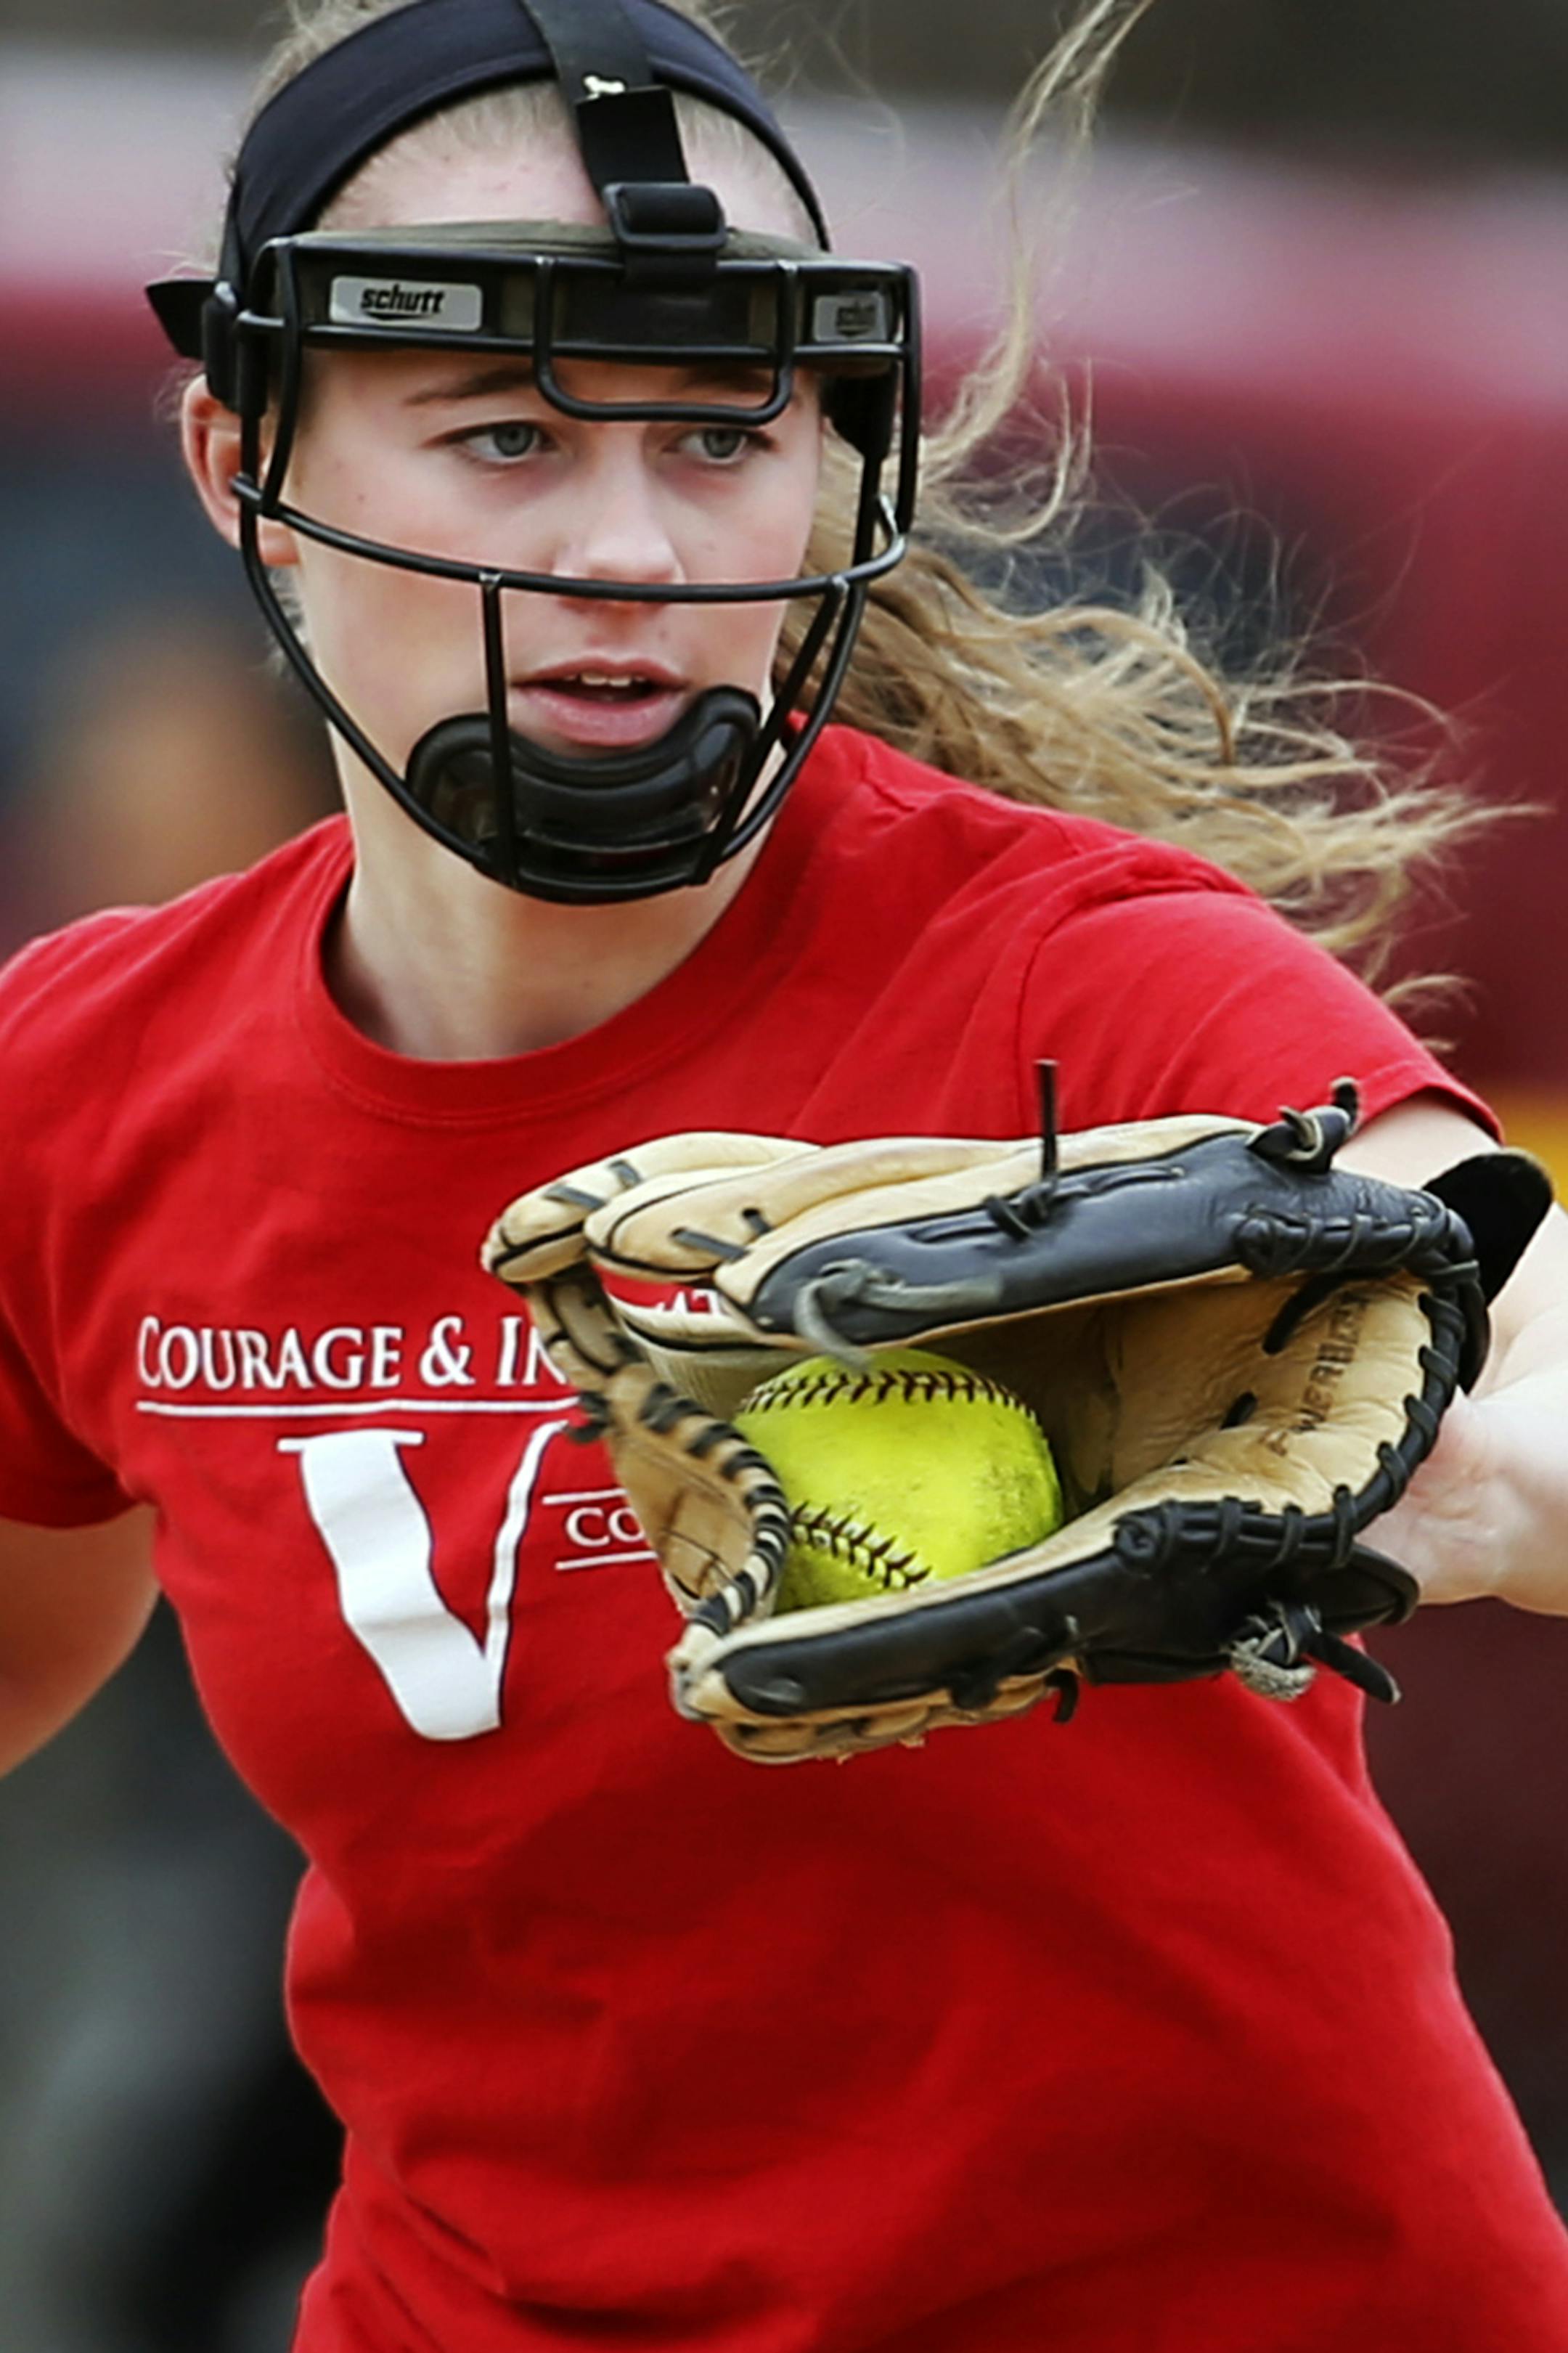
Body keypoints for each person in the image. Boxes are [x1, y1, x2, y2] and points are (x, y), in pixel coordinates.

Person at [3, 1, 1567, 2347]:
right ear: (238, 460)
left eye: (725, 438)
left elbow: (1511, 1305)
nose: (629, 545)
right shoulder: (80, 1090)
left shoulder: (1083, 975)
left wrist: (1475, 1474)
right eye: (507, 437)